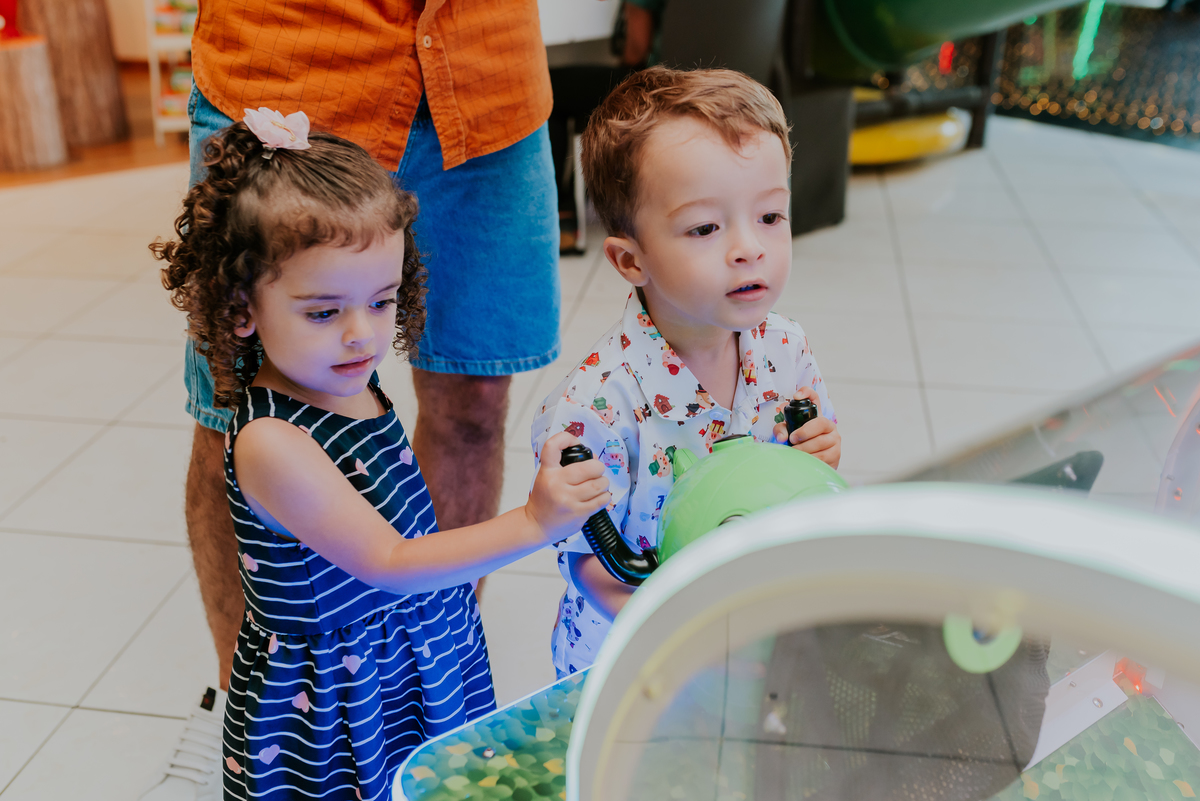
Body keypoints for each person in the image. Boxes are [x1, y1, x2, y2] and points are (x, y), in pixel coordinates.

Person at [142, 3, 560, 798]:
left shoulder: (355, 382)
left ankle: (426, 698)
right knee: (220, 427)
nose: (363, 337)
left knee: (471, 410)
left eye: (383, 300)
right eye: (326, 311)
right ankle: (235, 718)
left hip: (482, 71)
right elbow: (391, 560)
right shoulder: (272, 438)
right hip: (293, 47)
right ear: (240, 308)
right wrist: (538, 525)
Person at [531, 67, 842, 676]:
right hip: (639, 660)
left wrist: (820, 449)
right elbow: (586, 558)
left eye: (771, 217)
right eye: (705, 227)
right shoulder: (594, 408)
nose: (748, 248)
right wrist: (679, 633)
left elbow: (807, 462)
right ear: (630, 259)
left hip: (753, 634)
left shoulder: (786, 346)